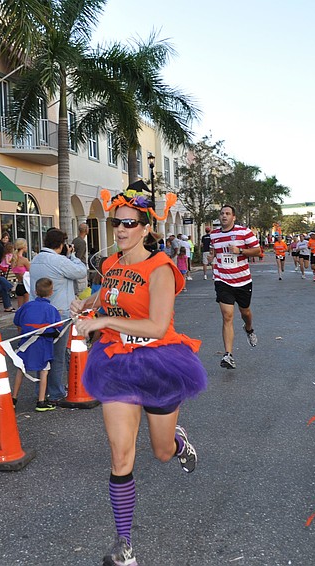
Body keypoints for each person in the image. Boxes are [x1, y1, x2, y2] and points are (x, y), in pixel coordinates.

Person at [71, 188, 206, 566]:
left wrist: (104, 320)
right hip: (116, 362)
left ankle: (178, 443)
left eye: (129, 223)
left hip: (159, 361)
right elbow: (106, 296)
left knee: (160, 452)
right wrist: (86, 306)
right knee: (120, 455)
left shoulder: (161, 268)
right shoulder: (112, 263)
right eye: (117, 222)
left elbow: (158, 325)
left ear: (146, 229)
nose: (121, 229)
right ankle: (124, 545)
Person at [29, 228, 88, 402]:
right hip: (59, 313)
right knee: (58, 355)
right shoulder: (58, 260)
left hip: (39, 312)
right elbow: (80, 271)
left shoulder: (37, 259)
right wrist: (72, 256)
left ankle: (41, 390)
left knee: (43, 354)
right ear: (61, 245)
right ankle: (55, 392)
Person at [210, 204, 261, 370]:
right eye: (222, 213)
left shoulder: (244, 232)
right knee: (227, 315)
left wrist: (240, 250)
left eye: (227, 213)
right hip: (222, 280)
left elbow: (257, 250)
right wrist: (212, 257)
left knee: (245, 312)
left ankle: (249, 329)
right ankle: (228, 355)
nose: (224, 216)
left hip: (243, 280)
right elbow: (215, 252)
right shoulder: (214, 235)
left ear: (233, 217)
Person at [12, 278, 62, 412]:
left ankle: (13, 398)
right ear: (51, 293)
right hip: (43, 345)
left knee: (20, 369)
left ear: (35, 291)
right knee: (44, 371)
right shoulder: (52, 309)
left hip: (26, 343)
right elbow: (58, 329)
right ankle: (41, 401)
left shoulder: (26, 306)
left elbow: (17, 321)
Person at [10, 239, 31, 309]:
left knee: (20, 309)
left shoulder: (13, 259)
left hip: (19, 285)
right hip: (26, 285)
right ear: (23, 247)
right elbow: (31, 271)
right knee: (27, 309)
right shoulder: (24, 260)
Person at [72, 223, 89, 293]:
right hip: (80, 266)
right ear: (86, 230)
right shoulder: (82, 242)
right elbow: (79, 256)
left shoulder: (75, 240)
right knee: (82, 290)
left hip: (74, 266)